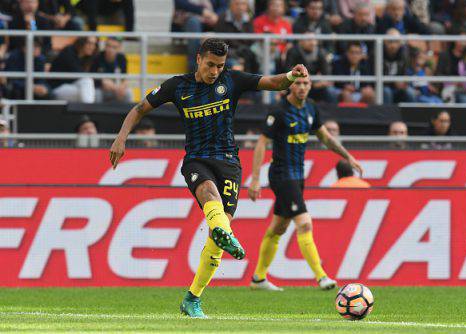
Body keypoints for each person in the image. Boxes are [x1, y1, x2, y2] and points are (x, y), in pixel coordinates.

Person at [109, 38, 310, 318]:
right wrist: (121, 138)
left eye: (220, 66)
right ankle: (225, 233)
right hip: (197, 159)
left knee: (217, 233)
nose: (215, 71)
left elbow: (274, 83)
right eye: (210, 64)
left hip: (229, 163)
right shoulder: (177, 86)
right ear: (199, 60)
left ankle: (193, 297)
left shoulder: (232, 80)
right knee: (207, 193)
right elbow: (139, 109)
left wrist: (291, 75)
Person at [248, 76, 363, 291]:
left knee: (277, 229)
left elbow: (326, 138)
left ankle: (258, 278)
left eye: (306, 83)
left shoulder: (311, 109)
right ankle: (321, 277)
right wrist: (255, 179)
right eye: (298, 83)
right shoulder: (279, 111)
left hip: (298, 176)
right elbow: (262, 143)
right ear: (291, 85)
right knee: (304, 223)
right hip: (281, 175)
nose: (302, 87)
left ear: (310, 86)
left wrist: (348, 157)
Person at [173, 0, 227, 71]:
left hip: (212, 22)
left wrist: (216, 16)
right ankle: (194, 66)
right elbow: (181, 3)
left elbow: (224, 6)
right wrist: (202, 11)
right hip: (187, 23)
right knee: (193, 22)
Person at [284, 31, 334, 103]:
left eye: (314, 40)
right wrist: (310, 82)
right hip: (297, 83)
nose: (312, 43)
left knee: (330, 93)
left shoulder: (321, 53)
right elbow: (288, 70)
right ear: (301, 41)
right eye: (309, 40)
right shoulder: (293, 51)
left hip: (315, 84)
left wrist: (321, 82)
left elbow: (327, 73)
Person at [214, 0, 258, 73]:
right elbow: (220, 45)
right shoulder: (222, 18)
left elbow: (251, 42)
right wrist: (237, 57)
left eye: (243, 4)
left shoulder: (249, 19)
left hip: (245, 55)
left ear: (247, 7)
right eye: (237, 4)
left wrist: (244, 57)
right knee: (235, 66)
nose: (240, 7)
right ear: (230, 6)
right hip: (228, 56)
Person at [49, 37, 97, 103]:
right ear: (81, 42)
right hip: (57, 87)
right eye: (89, 43)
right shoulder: (68, 52)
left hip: (72, 85)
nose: (92, 47)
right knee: (87, 84)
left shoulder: (86, 58)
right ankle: (89, 111)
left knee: (87, 87)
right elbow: (78, 74)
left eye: (94, 44)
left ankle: (87, 111)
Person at [90, 37, 132, 103]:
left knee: (128, 93)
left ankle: (128, 113)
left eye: (114, 47)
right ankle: (96, 113)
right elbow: (92, 78)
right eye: (108, 46)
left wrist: (122, 87)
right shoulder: (97, 57)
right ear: (105, 46)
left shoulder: (122, 58)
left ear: (119, 48)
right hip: (101, 89)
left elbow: (125, 78)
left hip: (116, 89)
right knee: (96, 94)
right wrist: (102, 82)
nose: (110, 49)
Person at [383, 29, 416, 104]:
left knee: (411, 93)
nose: (393, 45)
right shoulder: (378, 52)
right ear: (385, 42)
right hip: (384, 86)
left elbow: (407, 73)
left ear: (400, 43)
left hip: (399, 87)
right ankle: (387, 115)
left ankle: (412, 115)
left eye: (396, 42)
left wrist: (404, 82)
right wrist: (394, 82)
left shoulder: (404, 53)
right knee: (387, 92)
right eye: (390, 42)